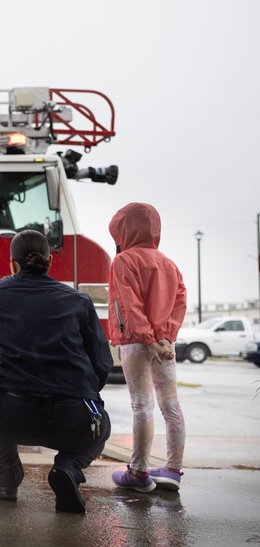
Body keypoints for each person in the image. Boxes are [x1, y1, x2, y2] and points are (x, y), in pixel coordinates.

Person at [0, 230, 113, 513]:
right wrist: (83, 393)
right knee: (103, 427)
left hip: (12, 416)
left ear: (12, 263)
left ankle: (5, 480)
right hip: (71, 420)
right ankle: (67, 467)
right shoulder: (79, 301)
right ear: (49, 261)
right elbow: (101, 362)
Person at [107, 202, 187, 493]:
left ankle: (139, 473)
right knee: (171, 405)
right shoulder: (169, 263)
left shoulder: (124, 260)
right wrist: (165, 337)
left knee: (142, 405)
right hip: (164, 345)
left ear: (124, 229)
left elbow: (128, 304)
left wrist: (148, 339)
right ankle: (173, 470)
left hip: (136, 343)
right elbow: (180, 301)